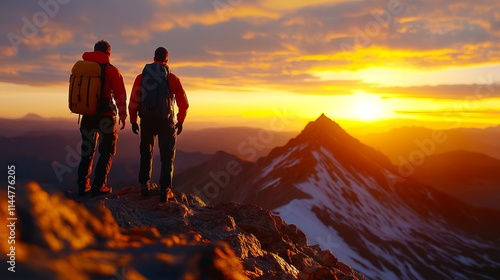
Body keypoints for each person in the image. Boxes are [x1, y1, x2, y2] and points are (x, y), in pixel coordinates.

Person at [129, 47, 189, 202]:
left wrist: (133, 120)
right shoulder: (172, 78)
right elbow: (184, 104)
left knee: (146, 153)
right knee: (167, 156)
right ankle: (165, 190)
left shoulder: (141, 78)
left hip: (147, 120)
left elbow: (133, 102)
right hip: (166, 121)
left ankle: (144, 185)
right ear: (166, 60)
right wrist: (180, 120)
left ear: (153, 57)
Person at [77, 40, 127, 197]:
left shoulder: (82, 69)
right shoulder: (112, 71)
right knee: (107, 151)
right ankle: (99, 186)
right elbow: (120, 95)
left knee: (87, 151)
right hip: (105, 117)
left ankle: (83, 185)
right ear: (108, 54)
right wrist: (123, 115)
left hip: (87, 115)